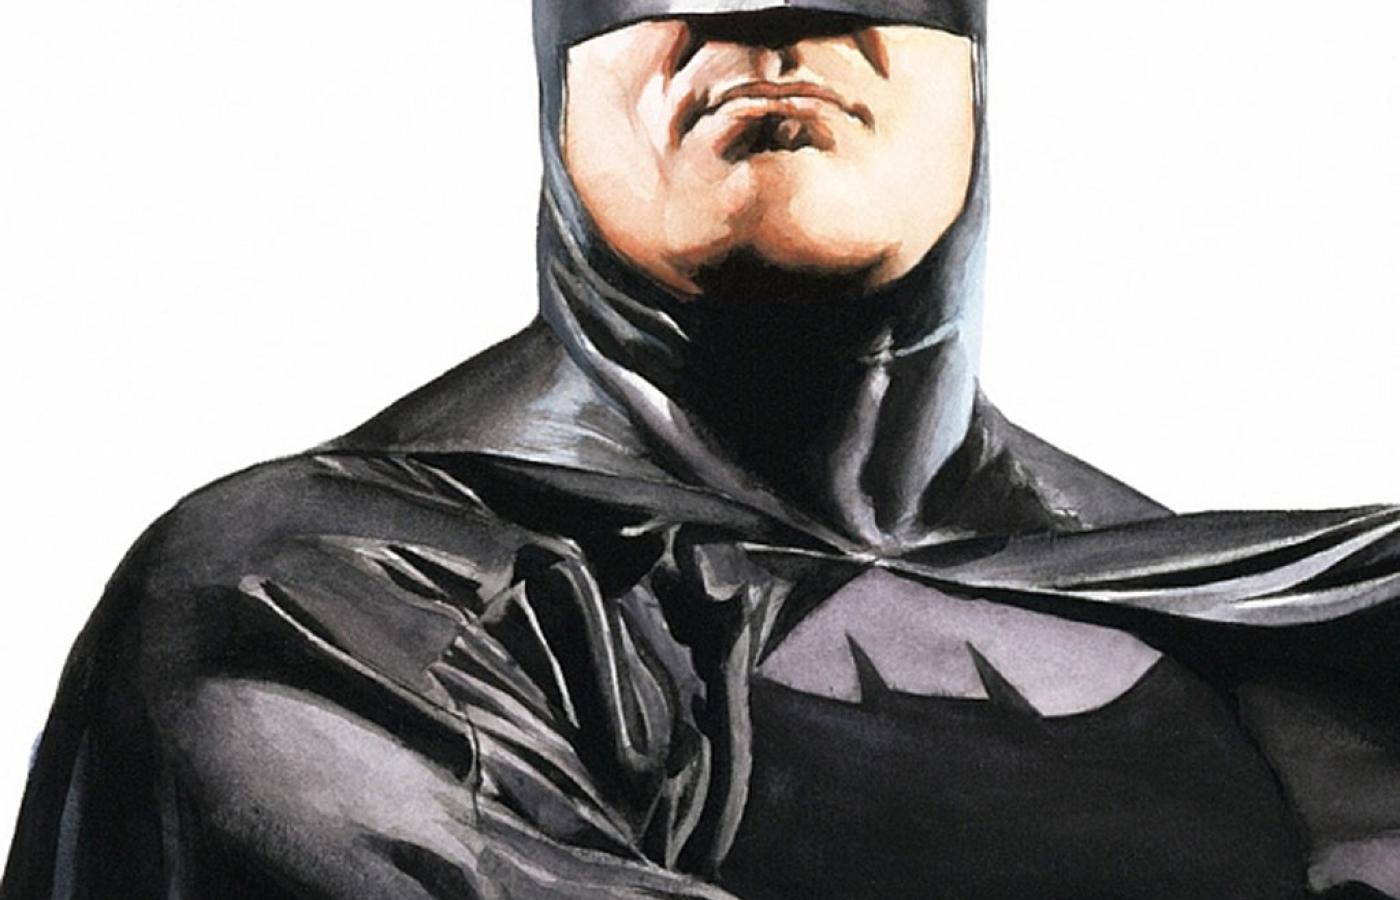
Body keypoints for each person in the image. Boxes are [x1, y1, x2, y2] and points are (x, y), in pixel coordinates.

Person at [4, 1, 1399, 897]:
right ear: (556, 74)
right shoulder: (312, 590)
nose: (769, 37)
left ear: (974, 68)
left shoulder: (1287, 614)